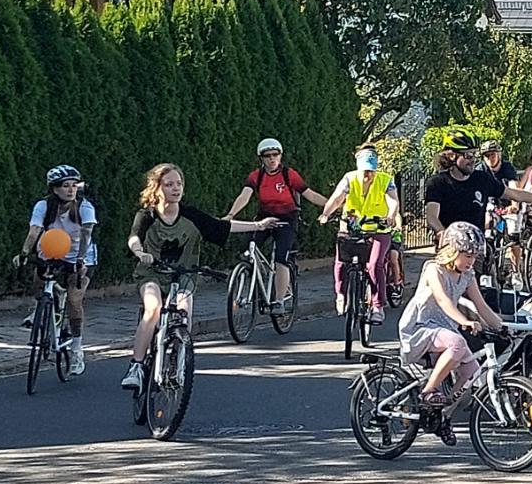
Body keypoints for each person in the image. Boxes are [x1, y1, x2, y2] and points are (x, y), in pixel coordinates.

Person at [124, 164, 281, 389]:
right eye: (169, 185)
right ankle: (136, 366)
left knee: (184, 312)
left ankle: (176, 364)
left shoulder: (191, 215)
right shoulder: (147, 215)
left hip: (184, 275)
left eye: (179, 184)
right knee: (154, 308)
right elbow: (134, 237)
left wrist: (258, 225)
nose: (175, 189)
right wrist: (140, 253)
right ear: (156, 189)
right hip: (152, 273)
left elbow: (221, 227)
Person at [398, 221, 506, 435]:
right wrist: (464, 321)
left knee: (472, 371)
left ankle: (442, 414)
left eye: (474, 257)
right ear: (451, 250)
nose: (471, 261)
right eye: (466, 255)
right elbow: (443, 300)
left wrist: (502, 327)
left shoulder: (467, 276)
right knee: (458, 343)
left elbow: (481, 305)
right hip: (420, 327)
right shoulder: (433, 269)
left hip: (444, 330)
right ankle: (428, 391)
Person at [225, 138, 327, 312]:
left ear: (280, 156)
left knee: (281, 258)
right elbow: (245, 195)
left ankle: (279, 300)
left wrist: (331, 205)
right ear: (261, 158)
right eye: (267, 156)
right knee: (246, 249)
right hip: (265, 218)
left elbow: (309, 194)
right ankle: (252, 277)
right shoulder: (256, 176)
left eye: (275, 155)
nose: (272, 159)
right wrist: (230, 215)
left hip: (287, 219)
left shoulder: (289, 175)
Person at [18, 165, 97, 375]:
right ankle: (41, 306)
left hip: (81, 255)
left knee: (74, 300)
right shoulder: (44, 206)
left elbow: (87, 234)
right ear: (54, 189)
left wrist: (80, 260)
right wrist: (25, 252)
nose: (71, 190)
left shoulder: (84, 206)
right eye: (65, 186)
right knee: (38, 279)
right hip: (52, 251)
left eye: (74, 185)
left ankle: (77, 348)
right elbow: (35, 230)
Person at [318, 145, 402, 324]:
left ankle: (378, 306)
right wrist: (326, 213)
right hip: (352, 227)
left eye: (371, 171)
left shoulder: (385, 180)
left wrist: (390, 216)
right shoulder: (349, 179)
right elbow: (337, 198)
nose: (368, 175)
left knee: (374, 265)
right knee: (341, 262)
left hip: (379, 229)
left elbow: (393, 200)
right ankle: (341, 294)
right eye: (365, 170)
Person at [424, 129, 532, 236]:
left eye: (474, 155)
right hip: (449, 248)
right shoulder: (437, 183)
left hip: (475, 248)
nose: (473, 160)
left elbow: (516, 194)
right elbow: (432, 217)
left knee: (511, 236)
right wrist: (442, 233)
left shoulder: (482, 179)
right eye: (468, 155)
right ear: (452, 156)